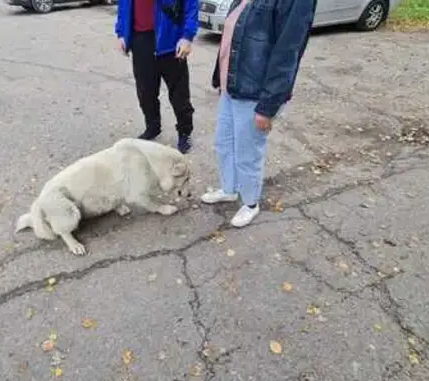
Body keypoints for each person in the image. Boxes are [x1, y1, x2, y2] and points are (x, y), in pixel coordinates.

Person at [201, 0, 316, 227]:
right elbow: (231, 38)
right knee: (224, 143)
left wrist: (267, 106)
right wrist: (220, 77)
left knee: (247, 152)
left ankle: (250, 203)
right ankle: (229, 189)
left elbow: (287, 54)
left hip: (254, 93)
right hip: (231, 87)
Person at [114, 0, 198, 154]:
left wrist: (187, 36)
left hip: (170, 39)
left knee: (179, 94)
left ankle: (184, 131)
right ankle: (152, 126)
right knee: (145, 91)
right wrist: (121, 32)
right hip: (140, 40)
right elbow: (123, 5)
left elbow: (191, 5)